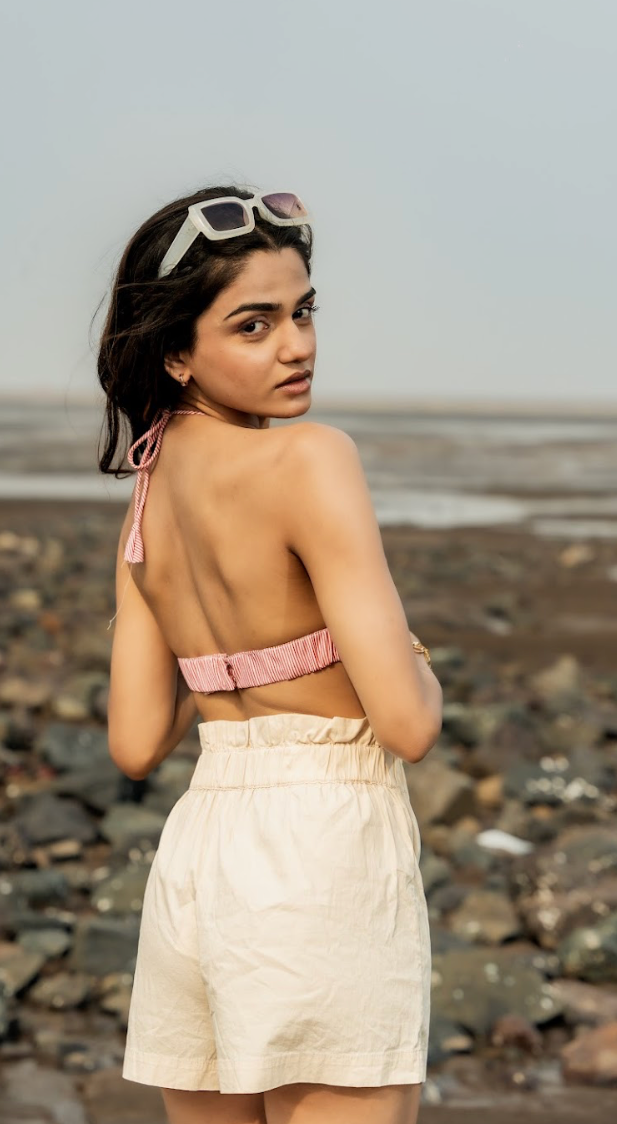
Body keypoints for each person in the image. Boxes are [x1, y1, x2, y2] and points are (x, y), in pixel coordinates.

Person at [99, 185, 443, 1124]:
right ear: (175, 351)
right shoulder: (311, 460)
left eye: (303, 311)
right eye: (254, 325)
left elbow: (134, 743)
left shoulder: (146, 493)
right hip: (321, 853)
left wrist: (226, 663)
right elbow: (407, 724)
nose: (296, 345)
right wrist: (414, 661)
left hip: (202, 858)